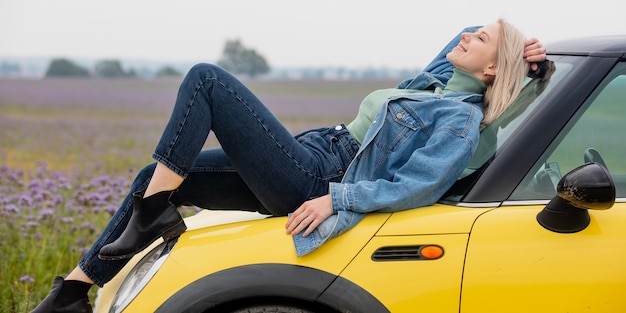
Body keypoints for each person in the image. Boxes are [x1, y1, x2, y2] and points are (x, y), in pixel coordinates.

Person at [31, 19, 546, 313]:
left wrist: (335, 199)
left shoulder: (459, 120)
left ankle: (151, 214)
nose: (469, 35)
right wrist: (520, 49)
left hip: (318, 177)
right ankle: (73, 292)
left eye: (482, 39)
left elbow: (418, 185)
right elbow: (458, 36)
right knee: (153, 180)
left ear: (493, 68)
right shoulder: (434, 84)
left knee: (207, 80)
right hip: (315, 154)